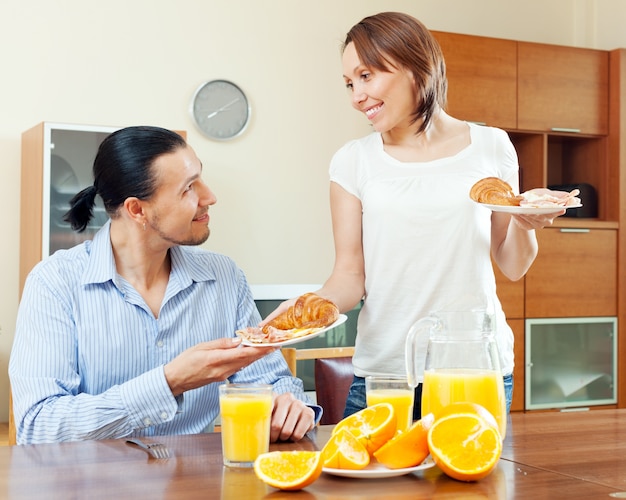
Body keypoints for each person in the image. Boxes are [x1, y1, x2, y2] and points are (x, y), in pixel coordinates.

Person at [262, 12, 568, 420]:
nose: (356, 95)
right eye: (350, 83)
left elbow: (512, 263)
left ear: (414, 65)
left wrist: (527, 224)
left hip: (473, 371)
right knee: (373, 485)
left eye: (367, 76)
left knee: (469, 485)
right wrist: (305, 309)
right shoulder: (353, 161)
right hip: (385, 377)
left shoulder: (491, 147)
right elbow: (350, 277)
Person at [9, 126, 320, 445]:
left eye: (200, 177)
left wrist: (290, 408)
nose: (210, 197)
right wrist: (168, 383)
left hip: (198, 485)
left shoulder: (224, 278)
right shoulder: (55, 282)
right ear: (137, 210)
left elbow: (269, 382)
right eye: (188, 188)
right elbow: (38, 426)